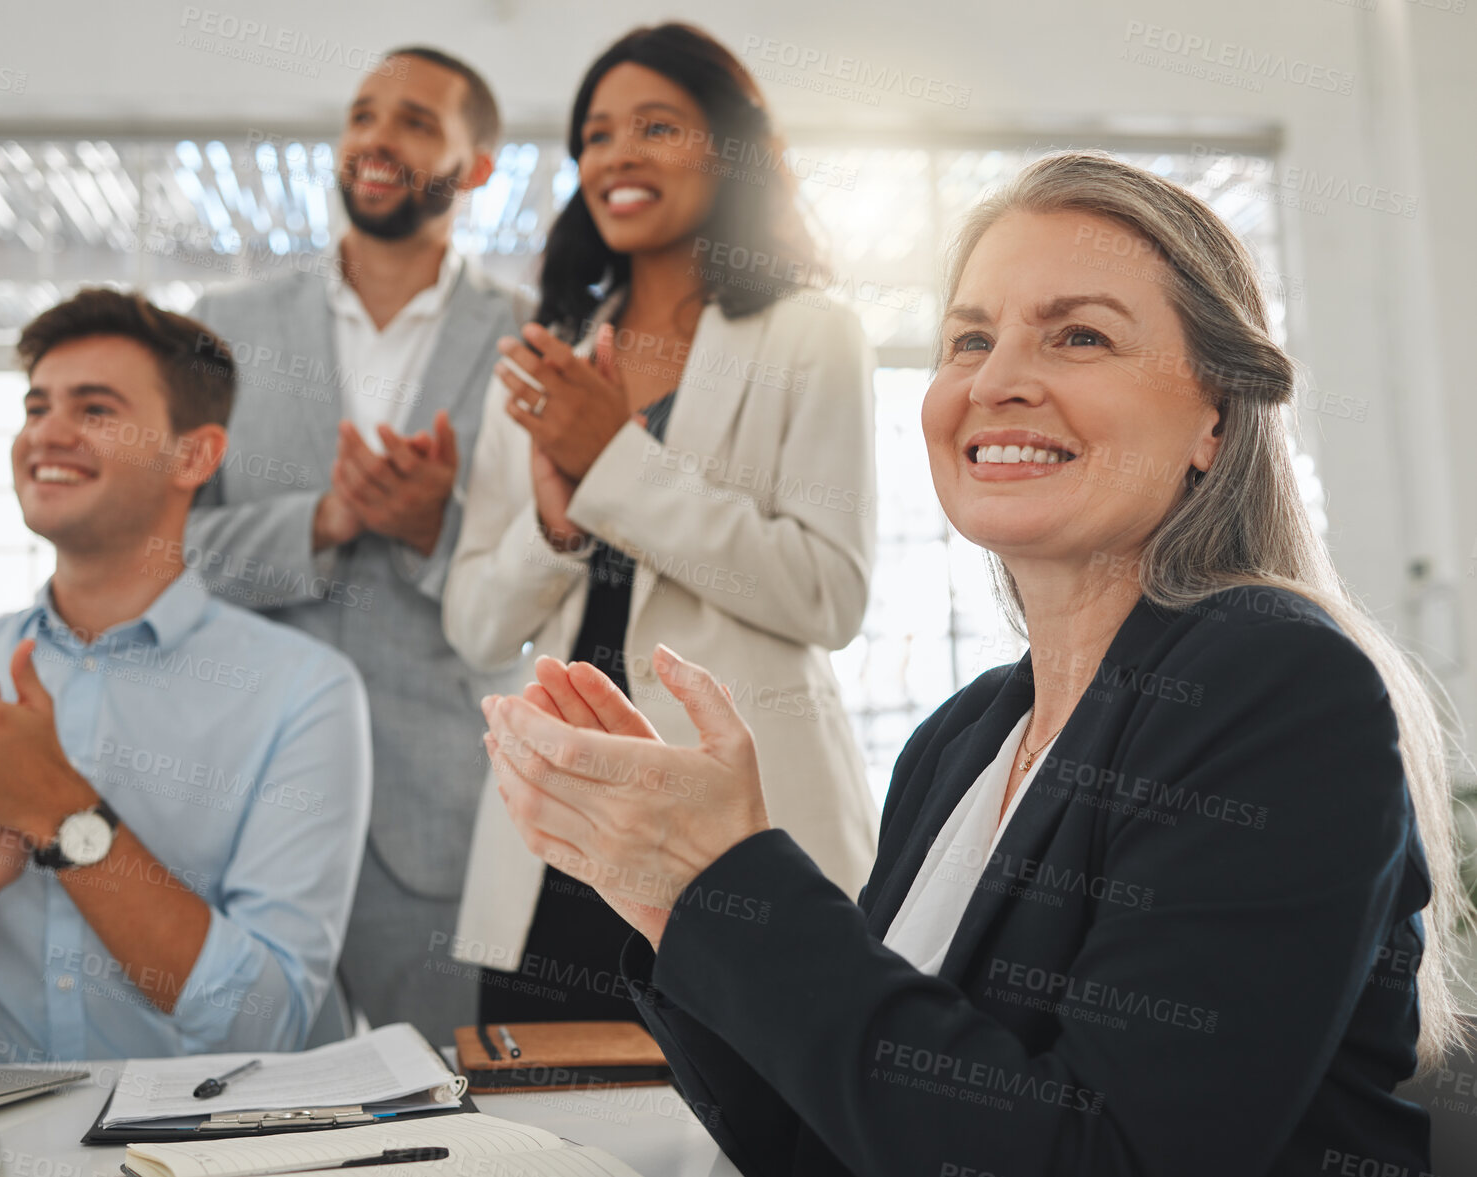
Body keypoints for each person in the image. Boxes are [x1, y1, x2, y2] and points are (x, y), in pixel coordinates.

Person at [480, 152, 1468, 1175]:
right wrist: (673, 896)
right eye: (969, 340)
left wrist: (729, 871)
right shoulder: (960, 738)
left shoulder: (1273, 683)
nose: (996, 381)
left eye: (1079, 335)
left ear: (1213, 415)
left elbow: (1105, 1159)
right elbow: (828, 1134)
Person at [0, 289, 371, 1063]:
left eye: (95, 409)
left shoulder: (306, 693)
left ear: (195, 455)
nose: (48, 433)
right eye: (36, 408)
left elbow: (269, 1022)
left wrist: (61, 811)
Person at [443, 22, 878, 1022]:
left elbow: (829, 590)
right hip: (556, 826)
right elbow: (472, 623)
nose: (618, 155)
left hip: (733, 826)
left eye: (657, 126)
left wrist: (613, 465)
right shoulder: (544, 358)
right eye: (596, 135)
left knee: (752, 1129)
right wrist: (554, 528)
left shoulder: (814, 334)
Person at [182, 47, 518, 1042]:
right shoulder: (226, 328)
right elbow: (166, 557)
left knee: (463, 1119)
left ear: (478, 168)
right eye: (363, 115)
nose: (376, 137)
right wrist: (321, 521)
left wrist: (429, 529)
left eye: (415, 121)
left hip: (444, 817)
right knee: (254, 1114)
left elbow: (549, 594)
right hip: (246, 801)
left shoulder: (533, 342)